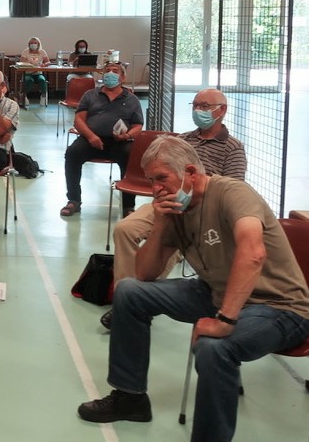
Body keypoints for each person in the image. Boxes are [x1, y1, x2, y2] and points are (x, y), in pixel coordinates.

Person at [77, 136, 309, 442]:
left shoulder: (231, 193)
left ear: (190, 172)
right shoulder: (177, 209)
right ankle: (130, 397)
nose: (155, 188)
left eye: (161, 178)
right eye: (151, 180)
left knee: (214, 348)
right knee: (130, 291)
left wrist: (224, 320)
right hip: (215, 292)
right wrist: (161, 224)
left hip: (278, 306)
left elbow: (253, 253)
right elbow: (144, 274)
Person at [101, 87, 247, 329]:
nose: (198, 110)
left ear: (221, 110)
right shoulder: (183, 140)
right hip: (166, 200)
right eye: (195, 105)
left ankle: (138, 301)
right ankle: (124, 297)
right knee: (125, 229)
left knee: (173, 241)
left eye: (204, 106)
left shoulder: (233, 148)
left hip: (200, 210)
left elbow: (234, 187)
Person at [60, 61, 143, 217]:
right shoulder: (90, 95)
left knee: (130, 158)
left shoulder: (132, 99)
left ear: (123, 78)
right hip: (90, 140)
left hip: (120, 142)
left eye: (115, 71)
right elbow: (79, 120)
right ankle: (73, 200)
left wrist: (127, 135)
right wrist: (91, 136)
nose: (110, 73)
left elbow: (138, 125)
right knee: (72, 153)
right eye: (107, 71)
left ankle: (128, 206)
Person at [19, 36, 51, 106]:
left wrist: (44, 64)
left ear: (38, 44)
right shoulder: (25, 52)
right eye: (31, 43)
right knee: (29, 80)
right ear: (29, 44)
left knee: (42, 80)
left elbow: (48, 62)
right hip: (28, 73)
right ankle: (24, 96)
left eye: (35, 43)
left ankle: (43, 96)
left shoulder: (42, 52)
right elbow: (21, 62)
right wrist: (27, 62)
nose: (33, 44)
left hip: (38, 73)